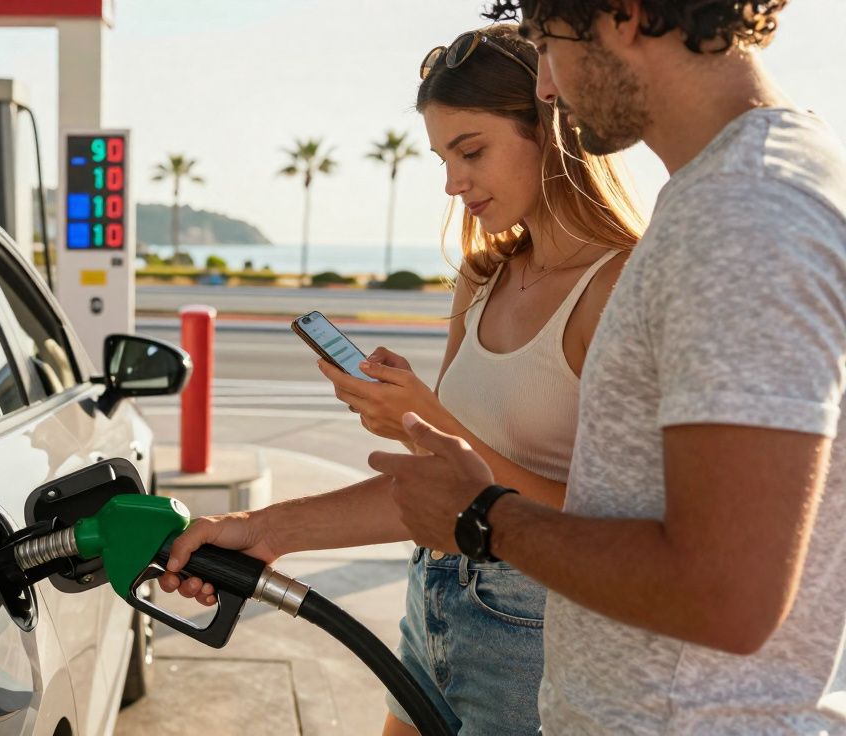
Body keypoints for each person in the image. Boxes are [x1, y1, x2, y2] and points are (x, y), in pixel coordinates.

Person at [169, 1, 846, 732]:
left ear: (620, 14)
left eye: (547, 44)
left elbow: (728, 595)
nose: (548, 88)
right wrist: (269, 529)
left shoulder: (746, 214)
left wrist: (484, 514)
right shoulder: (718, 206)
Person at [163, 23, 645, 735]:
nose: (453, 182)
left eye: (471, 150)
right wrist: (258, 530)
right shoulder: (484, 278)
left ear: (551, 127)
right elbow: (431, 488)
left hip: (537, 637)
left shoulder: (621, 287)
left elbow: (618, 536)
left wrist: (429, 417)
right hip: (434, 598)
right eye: (442, 157)